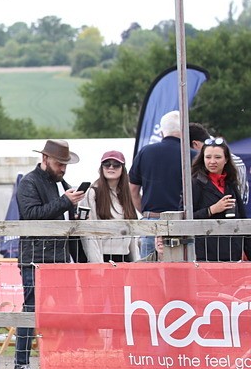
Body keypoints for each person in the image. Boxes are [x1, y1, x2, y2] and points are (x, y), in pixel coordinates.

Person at [15, 140, 87, 369]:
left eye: (65, 165)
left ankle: (60, 357)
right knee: (31, 309)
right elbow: (31, 214)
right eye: (59, 164)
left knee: (62, 308)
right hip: (35, 257)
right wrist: (66, 202)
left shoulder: (59, 184)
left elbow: (55, 215)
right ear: (45, 159)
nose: (63, 169)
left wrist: (73, 208)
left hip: (57, 256)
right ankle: (21, 362)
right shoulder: (28, 182)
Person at [128, 110, 189, 260]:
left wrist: (146, 213)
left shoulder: (145, 152)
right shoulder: (191, 155)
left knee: (149, 275)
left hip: (151, 223)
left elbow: (132, 191)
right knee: (184, 274)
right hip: (183, 222)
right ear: (183, 129)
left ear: (162, 131)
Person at [190, 137, 251, 262]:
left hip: (233, 253)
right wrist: (211, 210)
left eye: (217, 157)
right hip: (206, 255)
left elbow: (242, 217)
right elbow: (185, 218)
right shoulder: (195, 183)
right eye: (208, 157)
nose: (212, 161)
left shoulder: (230, 183)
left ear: (226, 159)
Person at [80, 151, 140, 263]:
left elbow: (133, 234)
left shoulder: (126, 194)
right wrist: (97, 263)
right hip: (103, 257)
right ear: (101, 168)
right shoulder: (93, 192)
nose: (111, 167)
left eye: (116, 164)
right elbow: (88, 232)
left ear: (122, 169)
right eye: (106, 164)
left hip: (125, 258)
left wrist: (136, 261)